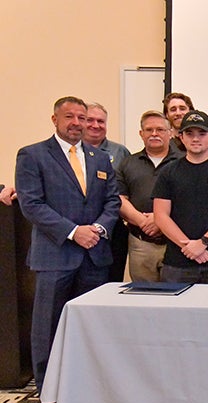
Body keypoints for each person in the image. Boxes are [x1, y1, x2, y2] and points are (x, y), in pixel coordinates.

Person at [14, 96, 120, 403]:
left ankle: (86, 388)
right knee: (47, 327)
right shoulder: (33, 155)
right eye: (70, 117)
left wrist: (98, 229)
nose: (77, 123)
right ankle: (49, 393)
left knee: (90, 327)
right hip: (55, 256)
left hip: (94, 256)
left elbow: (112, 201)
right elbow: (31, 204)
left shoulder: (100, 158)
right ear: (55, 119)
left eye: (82, 117)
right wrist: (74, 232)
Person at [152, 110, 208, 283]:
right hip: (178, 263)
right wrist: (189, 247)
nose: (195, 139)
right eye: (189, 133)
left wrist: (202, 243)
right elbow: (161, 215)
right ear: (181, 137)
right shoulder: (168, 172)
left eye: (202, 133)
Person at [116, 110, 181, 282]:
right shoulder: (128, 163)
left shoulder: (184, 162)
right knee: (143, 294)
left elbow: (191, 200)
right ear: (141, 133)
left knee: (177, 293)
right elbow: (120, 199)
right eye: (149, 130)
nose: (154, 134)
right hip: (140, 243)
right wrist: (142, 221)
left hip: (176, 242)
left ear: (170, 133)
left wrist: (160, 220)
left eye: (160, 130)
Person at [83, 102, 131, 282]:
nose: (95, 125)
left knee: (112, 280)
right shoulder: (68, 152)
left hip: (112, 227)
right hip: (78, 227)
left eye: (101, 121)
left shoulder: (120, 152)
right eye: (90, 120)